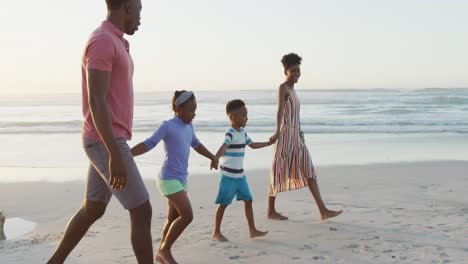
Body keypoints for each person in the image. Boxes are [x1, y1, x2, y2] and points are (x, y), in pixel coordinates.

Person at [47, 1, 153, 263]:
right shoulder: (103, 41)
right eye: (139, 9)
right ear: (128, 6)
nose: (141, 17)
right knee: (141, 209)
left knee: (93, 208)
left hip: (106, 140)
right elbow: (97, 100)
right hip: (106, 141)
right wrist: (114, 153)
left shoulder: (116, 41)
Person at [132, 90, 217, 264]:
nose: (195, 113)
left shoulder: (188, 127)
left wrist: (212, 157)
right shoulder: (168, 125)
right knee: (187, 215)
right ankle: (165, 250)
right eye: (192, 109)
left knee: (172, 218)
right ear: (179, 108)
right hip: (168, 179)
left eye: (195, 109)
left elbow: (196, 144)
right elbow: (150, 142)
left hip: (181, 180)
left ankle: (159, 255)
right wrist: (127, 154)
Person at [268, 53, 342, 221]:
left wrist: (300, 132)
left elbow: (295, 114)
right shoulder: (283, 88)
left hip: (296, 136)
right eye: (292, 71)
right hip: (285, 135)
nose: (296, 74)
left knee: (309, 169)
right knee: (278, 170)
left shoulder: (294, 91)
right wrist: (277, 132)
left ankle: (323, 211)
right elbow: (280, 110)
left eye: (298, 71)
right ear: (285, 71)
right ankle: (270, 211)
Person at [211, 100, 271, 242]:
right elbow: (224, 146)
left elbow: (253, 145)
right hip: (228, 176)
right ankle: (216, 231)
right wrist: (215, 158)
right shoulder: (230, 133)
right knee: (223, 204)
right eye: (244, 115)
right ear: (233, 117)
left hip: (240, 175)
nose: (247, 118)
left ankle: (252, 230)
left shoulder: (243, 133)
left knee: (248, 200)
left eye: (247, 115)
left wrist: (269, 142)